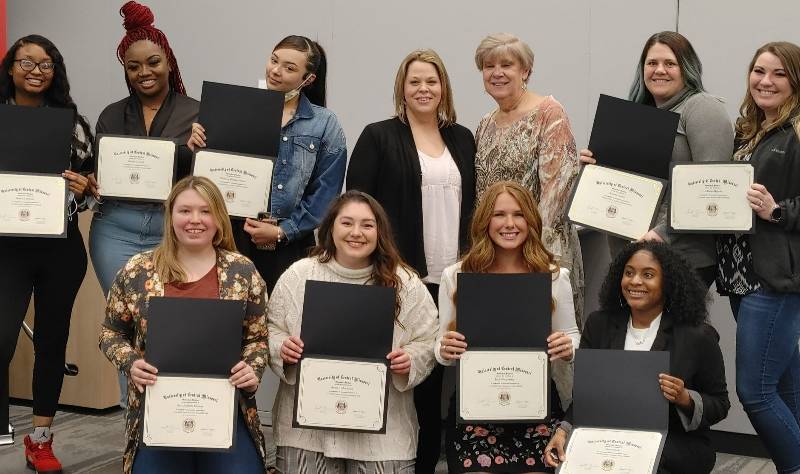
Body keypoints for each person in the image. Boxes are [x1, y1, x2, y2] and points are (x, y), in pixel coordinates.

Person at [345, 48, 476, 473]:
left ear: (443, 88)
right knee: (393, 379)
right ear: (402, 88)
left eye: (431, 81)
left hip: (452, 280)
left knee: (433, 387)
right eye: (414, 81)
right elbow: (356, 207)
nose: (423, 89)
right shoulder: (378, 136)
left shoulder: (462, 138)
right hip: (398, 278)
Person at [99, 176, 270, 474]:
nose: (195, 220)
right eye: (185, 211)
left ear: (219, 217)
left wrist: (252, 368)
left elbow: (257, 339)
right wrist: (131, 363)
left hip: (225, 408)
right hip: (159, 409)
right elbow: (110, 333)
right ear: (170, 216)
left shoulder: (242, 271)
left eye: (205, 211)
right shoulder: (138, 269)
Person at [267, 190, 437, 473]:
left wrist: (410, 359)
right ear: (330, 227)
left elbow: (429, 339)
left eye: (367, 225)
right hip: (306, 434)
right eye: (347, 223)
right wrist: (282, 347)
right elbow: (271, 328)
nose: (356, 232)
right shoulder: (299, 275)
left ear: (380, 232)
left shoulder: (406, 283)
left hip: (384, 437)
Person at [88, 0, 199, 407]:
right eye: (133, 66)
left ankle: (173, 413)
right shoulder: (111, 115)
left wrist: (203, 152)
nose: (144, 72)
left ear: (169, 61)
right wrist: (92, 181)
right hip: (115, 230)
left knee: (170, 325)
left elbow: (210, 183)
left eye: (153, 62)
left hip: (172, 231)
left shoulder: (197, 114)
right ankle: (133, 417)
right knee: (128, 323)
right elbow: (97, 173)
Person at [544, 241, 729, 474]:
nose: (635, 281)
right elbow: (585, 396)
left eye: (648, 275)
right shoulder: (599, 325)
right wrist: (563, 432)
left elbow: (720, 403)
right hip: (608, 437)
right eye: (629, 273)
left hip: (674, 441)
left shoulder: (697, 336)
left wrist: (685, 398)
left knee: (637, 463)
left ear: (668, 282)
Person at [436, 181, 579, 473]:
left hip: (535, 405)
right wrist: (444, 350)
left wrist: (568, 348)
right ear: (484, 221)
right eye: (499, 215)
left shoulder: (554, 276)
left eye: (519, 214)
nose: (509, 224)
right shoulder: (456, 275)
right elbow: (440, 347)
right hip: (474, 408)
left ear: (531, 220)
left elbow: (573, 336)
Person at [0, 34, 93, 473]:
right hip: (7, 249)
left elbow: (91, 189)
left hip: (60, 248)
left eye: (46, 64)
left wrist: (85, 188)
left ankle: (40, 439)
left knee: (52, 342)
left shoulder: (75, 124)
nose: (36, 71)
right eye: (27, 62)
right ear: (10, 67)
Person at [189, 35, 347, 293]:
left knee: (285, 312)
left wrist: (283, 231)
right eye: (274, 60)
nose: (276, 70)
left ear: (308, 79)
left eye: (289, 68)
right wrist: (199, 146)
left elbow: (326, 193)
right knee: (231, 311)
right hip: (232, 236)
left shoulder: (325, 123)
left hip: (290, 243)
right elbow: (207, 177)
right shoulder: (235, 108)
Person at [580, 31, 734, 288]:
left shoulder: (702, 107)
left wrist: (661, 234)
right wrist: (595, 170)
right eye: (652, 63)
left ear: (687, 68)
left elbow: (712, 190)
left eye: (670, 63)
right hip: (631, 254)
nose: (659, 70)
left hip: (681, 259)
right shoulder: (635, 115)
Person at [715, 41, 800, 472]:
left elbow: (778, 206)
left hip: (774, 279)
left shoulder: (797, 132)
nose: (766, 81)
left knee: (756, 392)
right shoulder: (748, 130)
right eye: (759, 71)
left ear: (796, 82)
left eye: (779, 74)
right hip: (740, 277)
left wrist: (777, 211)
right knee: (785, 387)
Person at [473, 33, 584, 327]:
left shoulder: (550, 113)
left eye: (506, 65)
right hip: (494, 255)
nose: (497, 73)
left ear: (525, 71)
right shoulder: (485, 123)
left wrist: (528, 257)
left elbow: (556, 194)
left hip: (541, 253)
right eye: (489, 66)